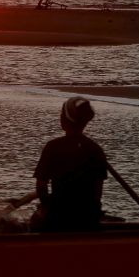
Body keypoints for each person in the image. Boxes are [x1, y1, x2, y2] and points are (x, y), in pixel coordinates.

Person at [29, 96, 109, 232]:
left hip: (58, 219)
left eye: (61, 114)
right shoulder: (95, 149)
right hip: (88, 219)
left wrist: (47, 210)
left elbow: (41, 186)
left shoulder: (53, 147)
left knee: (33, 222)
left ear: (64, 120)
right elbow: (97, 192)